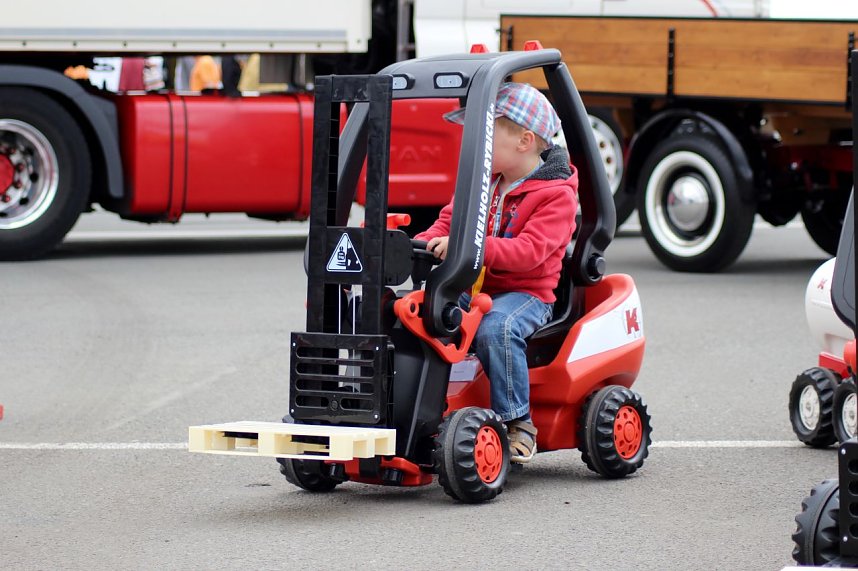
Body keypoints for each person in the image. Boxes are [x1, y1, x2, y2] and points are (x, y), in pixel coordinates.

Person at [415, 82, 578, 463]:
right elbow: (447, 223)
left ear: (523, 141)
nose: (475, 143)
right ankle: (421, 410)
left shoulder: (556, 195)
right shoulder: (482, 183)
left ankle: (517, 422)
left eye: (486, 133)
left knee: (496, 328)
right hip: (475, 286)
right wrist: (419, 243)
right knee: (420, 311)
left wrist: (470, 247)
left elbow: (530, 254)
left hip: (526, 295)